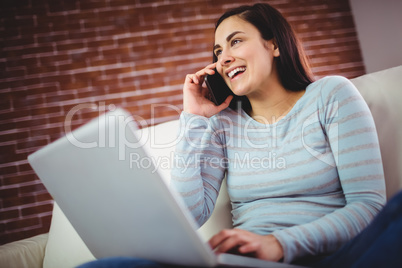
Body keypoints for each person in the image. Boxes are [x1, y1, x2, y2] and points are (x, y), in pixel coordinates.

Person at [78, 3, 402, 268]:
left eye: (235, 42)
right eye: (217, 52)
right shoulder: (222, 124)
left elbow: (368, 206)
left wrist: (278, 244)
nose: (223, 59)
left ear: (273, 44)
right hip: (247, 264)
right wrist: (193, 119)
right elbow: (190, 214)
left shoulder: (331, 95)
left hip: (335, 258)